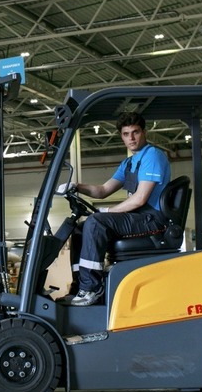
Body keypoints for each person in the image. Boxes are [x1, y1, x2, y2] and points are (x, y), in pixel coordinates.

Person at [58, 112, 171, 306]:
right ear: (122, 136)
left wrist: (107, 212)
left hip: (151, 218)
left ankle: (92, 288)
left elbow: (140, 199)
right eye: (126, 134)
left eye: (135, 132)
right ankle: (80, 287)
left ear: (144, 132)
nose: (131, 138)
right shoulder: (128, 163)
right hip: (137, 217)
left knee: (95, 222)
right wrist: (76, 186)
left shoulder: (152, 156)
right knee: (79, 229)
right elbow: (102, 191)